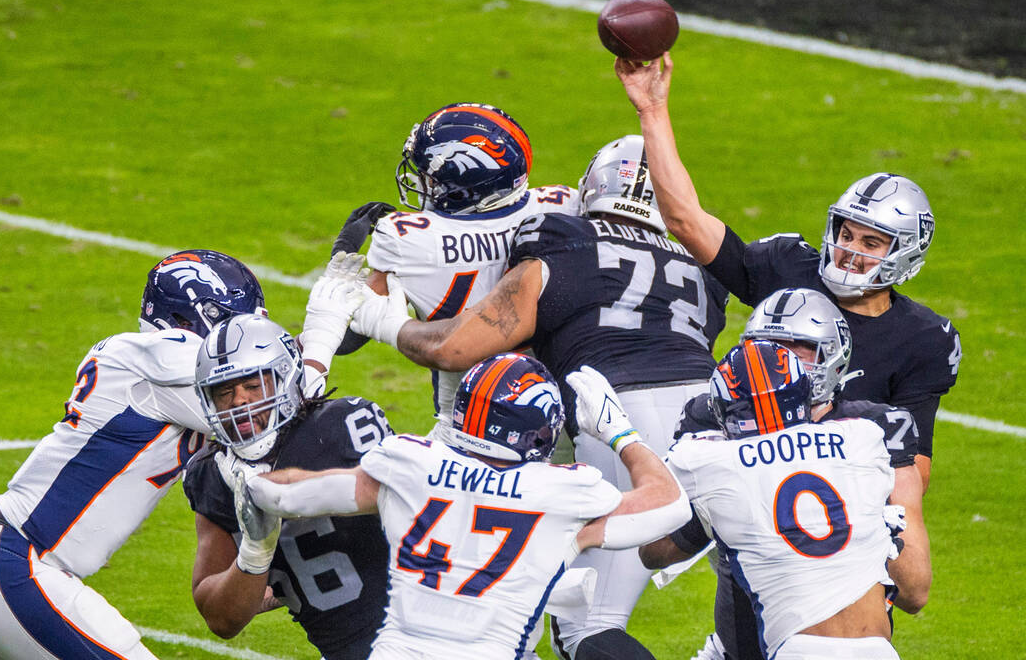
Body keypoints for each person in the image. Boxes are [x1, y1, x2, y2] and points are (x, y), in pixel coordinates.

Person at [352, 134, 729, 660]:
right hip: (721, 432)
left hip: (627, 417)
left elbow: (457, 347)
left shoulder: (562, 236)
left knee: (587, 627)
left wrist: (384, 322)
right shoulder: (702, 267)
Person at [615, 53, 960, 494]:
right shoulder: (787, 266)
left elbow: (913, 470)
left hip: (835, 496)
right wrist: (652, 110)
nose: (850, 251)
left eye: (871, 243)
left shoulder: (923, 338)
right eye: (846, 233)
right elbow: (684, 220)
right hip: (747, 478)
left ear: (905, 255)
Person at [0, 249, 266, 660]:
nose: (245, 343)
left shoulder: (155, 361)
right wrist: (327, 327)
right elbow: (280, 410)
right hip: (20, 564)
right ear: (183, 320)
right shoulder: (170, 356)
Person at [239, 353, 691, 660]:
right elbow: (669, 505)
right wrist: (620, 434)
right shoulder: (564, 494)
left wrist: (249, 483)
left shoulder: (411, 464)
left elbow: (287, 495)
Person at [658, 288, 930, 660]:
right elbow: (661, 545)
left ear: (833, 354)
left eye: (798, 347)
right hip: (745, 640)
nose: (779, 358)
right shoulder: (711, 417)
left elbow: (914, 588)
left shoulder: (874, 428)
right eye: (767, 344)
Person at [335, 101, 580, 423]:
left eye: (430, 177)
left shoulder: (406, 237)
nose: (423, 182)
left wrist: (341, 254)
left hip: (468, 416)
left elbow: (344, 336)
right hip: (563, 405)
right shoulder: (564, 205)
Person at [183, 309, 393, 660]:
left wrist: (292, 495)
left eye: (252, 385)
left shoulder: (344, 425)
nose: (239, 401)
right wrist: (255, 552)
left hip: (419, 626)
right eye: (224, 392)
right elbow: (220, 618)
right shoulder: (212, 474)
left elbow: (423, 512)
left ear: (285, 379)